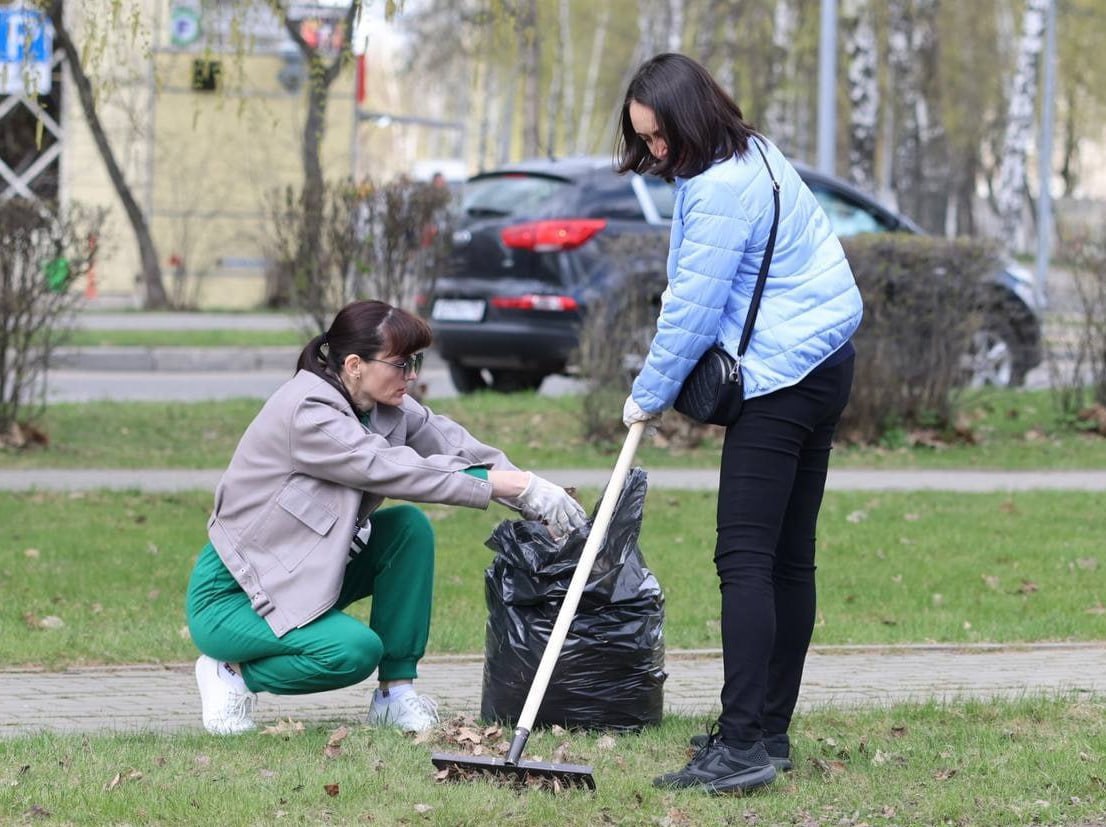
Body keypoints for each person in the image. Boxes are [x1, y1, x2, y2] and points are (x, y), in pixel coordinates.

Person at [617, 53, 863, 794]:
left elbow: (692, 307)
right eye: (645, 139)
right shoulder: (755, 152)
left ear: (690, 118)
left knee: (746, 559)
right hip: (827, 358)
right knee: (791, 557)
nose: (656, 152)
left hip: (782, 378)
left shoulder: (721, 187)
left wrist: (647, 395)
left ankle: (743, 745)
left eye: (661, 136)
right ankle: (767, 729)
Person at [186, 299, 586, 736]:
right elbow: (389, 467)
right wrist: (508, 486)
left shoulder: (385, 405)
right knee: (353, 651)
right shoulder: (308, 412)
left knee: (408, 530)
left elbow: (456, 446)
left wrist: (533, 496)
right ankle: (231, 675)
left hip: (302, 577)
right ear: (355, 364)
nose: (412, 374)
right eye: (401, 363)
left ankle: (395, 696)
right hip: (235, 595)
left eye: (416, 361)